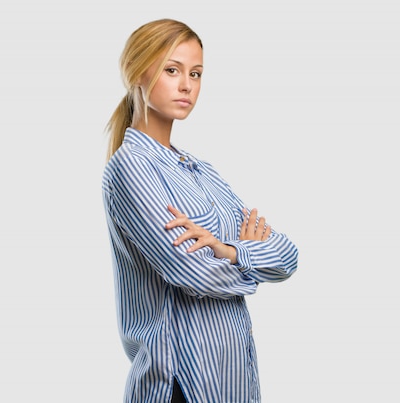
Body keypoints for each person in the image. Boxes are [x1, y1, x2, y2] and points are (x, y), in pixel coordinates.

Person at [101, 18, 298, 403]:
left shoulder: (201, 170)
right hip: (181, 384)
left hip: (235, 381)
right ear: (137, 74)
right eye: (171, 70)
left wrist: (228, 250)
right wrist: (247, 259)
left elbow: (288, 255)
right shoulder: (131, 168)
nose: (187, 85)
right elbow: (193, 272)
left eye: (196, 73)